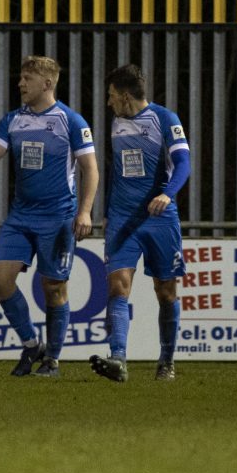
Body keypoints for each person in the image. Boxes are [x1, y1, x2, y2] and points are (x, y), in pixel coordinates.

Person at [0, 55, 98, 377]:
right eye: (21, 77)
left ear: (47, 83)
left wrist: (84, 211)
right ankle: (30, 344)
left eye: (27, 78)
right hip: (20, 216)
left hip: (58, 217)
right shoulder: (12, 120)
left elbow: (90, 169)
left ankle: (52, 359)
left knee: (53, 287)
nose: (20, 84)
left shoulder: (72, 121)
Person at [89, 64, 190, 383]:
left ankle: (167, 360)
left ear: (124, 95)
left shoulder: (165, 119)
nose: (108, 103)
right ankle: (118, 358)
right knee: (118, 284)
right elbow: (117, 171)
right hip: (122, 218)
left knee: (166, 291)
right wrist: (107, 210)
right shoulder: (117, 122)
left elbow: (184, 163)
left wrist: (168, 195)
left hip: (159, 219)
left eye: (111, 96)